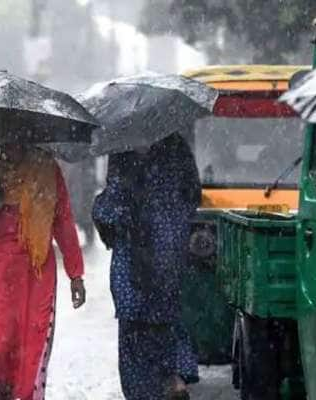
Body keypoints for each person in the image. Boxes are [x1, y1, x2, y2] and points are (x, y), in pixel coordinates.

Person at [0, 145, 86, 400]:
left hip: (37, 271)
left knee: (32, 343)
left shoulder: (46, 168)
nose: (11, 137)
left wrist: (76, 274)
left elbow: (62, 220)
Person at [93, 133, 202, 400]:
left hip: (132, 262)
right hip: (168, 253)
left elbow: (111, 210)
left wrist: (100, 208)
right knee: (167, 320)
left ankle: (145, 391)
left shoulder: (121, 149)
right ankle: (173, 377)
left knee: (134, 334)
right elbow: (193, 195)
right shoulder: (176, 146)